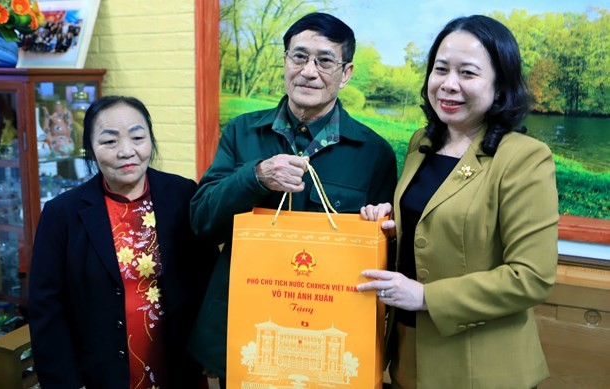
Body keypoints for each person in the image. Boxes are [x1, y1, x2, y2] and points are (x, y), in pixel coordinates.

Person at [186, 11, 398, 387]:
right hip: (245, 330)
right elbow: (202, 220)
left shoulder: (373, 152)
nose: (309, 71)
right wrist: (255, 177)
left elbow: (386, 258)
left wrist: (384, 230)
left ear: (345, 73)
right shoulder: (242, 133)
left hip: (329, 339)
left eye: (325, 60)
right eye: (299, 57)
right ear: (285, 62)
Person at [356, 15, 559, 388]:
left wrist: (426, 296)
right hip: (408, 353)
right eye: (441, 69)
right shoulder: (423, 142)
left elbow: (532, 278)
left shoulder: (525, 157)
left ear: (500, 86)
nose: (448, 85)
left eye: (468, 73)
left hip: (480, 368)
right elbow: (433, 227)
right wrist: (391, 227)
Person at [28, 95, 218, 388]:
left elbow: (208, 278)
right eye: (109, 142)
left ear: (150, 141)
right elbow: (46, 307)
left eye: (138, 137)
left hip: (177, 364)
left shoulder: (182, 194)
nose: (127, 151)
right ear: (90, 149)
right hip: (98, 372)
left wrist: (212, 348)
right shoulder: (61, 214)